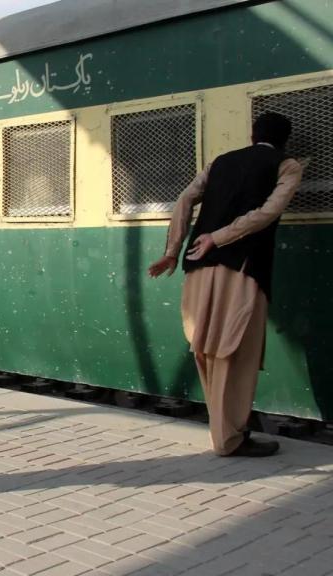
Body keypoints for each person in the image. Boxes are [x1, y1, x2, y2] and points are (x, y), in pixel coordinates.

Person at [148, 112, 302, 457]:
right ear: (285, 140)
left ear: (252, 135)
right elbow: (267, 212)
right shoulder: (287, 165)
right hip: (243, 269)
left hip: (197, 267)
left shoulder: (220, 162)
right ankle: (229, 438)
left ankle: (223, 431)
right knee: (237, 351)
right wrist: (218, 238)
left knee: (207, 349)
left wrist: (173, 251)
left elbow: (185, 200)